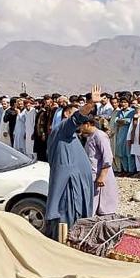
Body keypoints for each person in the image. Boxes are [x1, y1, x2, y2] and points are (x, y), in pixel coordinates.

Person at [43, 86, 101, 238]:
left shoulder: (71, 135)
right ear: (67, 114)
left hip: (77, 186)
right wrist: (90, 104)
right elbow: (77, 118)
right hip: (69, 189)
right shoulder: (62, 129)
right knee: (66, 223)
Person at [78, 115, 119, 216]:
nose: (79, 128)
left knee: (105, 204)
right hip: (93, 173)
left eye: (81, 126)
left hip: (101, 173)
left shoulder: (100, 136)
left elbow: (108, 157)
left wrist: (102, 176)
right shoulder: (90, 136)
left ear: (87, 125)